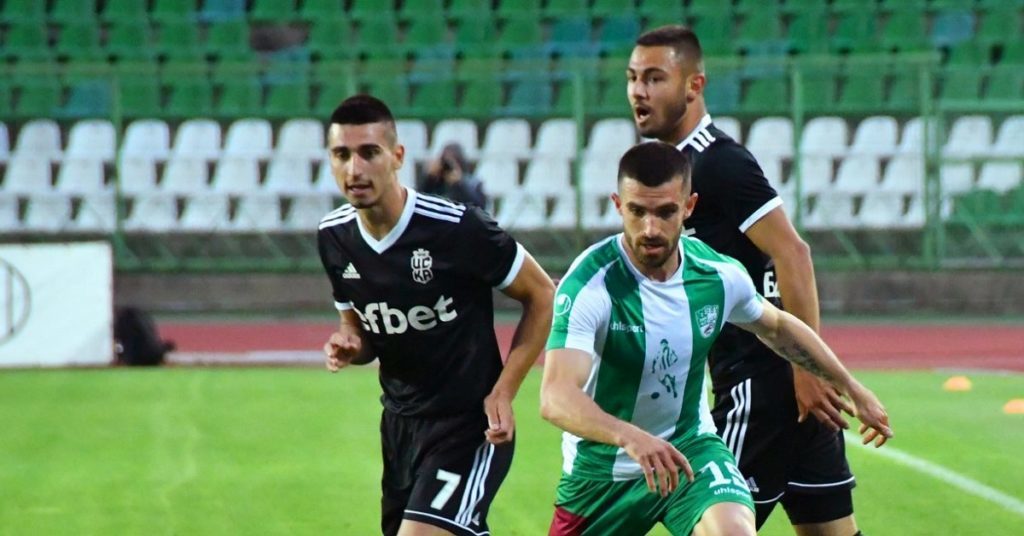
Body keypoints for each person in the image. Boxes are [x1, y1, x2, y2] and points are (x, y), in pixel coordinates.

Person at [540, 142, 892, 536]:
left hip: (690, 452)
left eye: (665, 212)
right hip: (601, 474)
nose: (650, 229)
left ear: (688, 207)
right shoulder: (590, 286)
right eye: (637, 212)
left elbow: (778, 327)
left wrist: (852, 387)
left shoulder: (716, 274)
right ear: (618, 206)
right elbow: (556, 396)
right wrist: (631, 438)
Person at [627, 25, 870, 534]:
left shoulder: (717, 163)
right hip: (783, 384)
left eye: (654, 78)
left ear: (694, 85)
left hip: (759, 385)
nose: (639, 92)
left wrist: (806, 369)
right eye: (633, 78)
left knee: (713, 519)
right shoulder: (680, 169)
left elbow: (792, 252)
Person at [317, 95, 555, 536]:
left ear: (397, 157)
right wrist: (350, 344)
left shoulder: (458, 229)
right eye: (341, 154)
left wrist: (504, 391)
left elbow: (542, 295)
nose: (355, 168)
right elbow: (358, 330)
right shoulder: (334, 237)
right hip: (400, 427)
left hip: (469, 425)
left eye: (369, 152)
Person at [417, 143, 488, 209]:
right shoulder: (436, 183)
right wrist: (430, 178)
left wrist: (458, 184)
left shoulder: (473, 183)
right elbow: (419, 201)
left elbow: (479, 207)